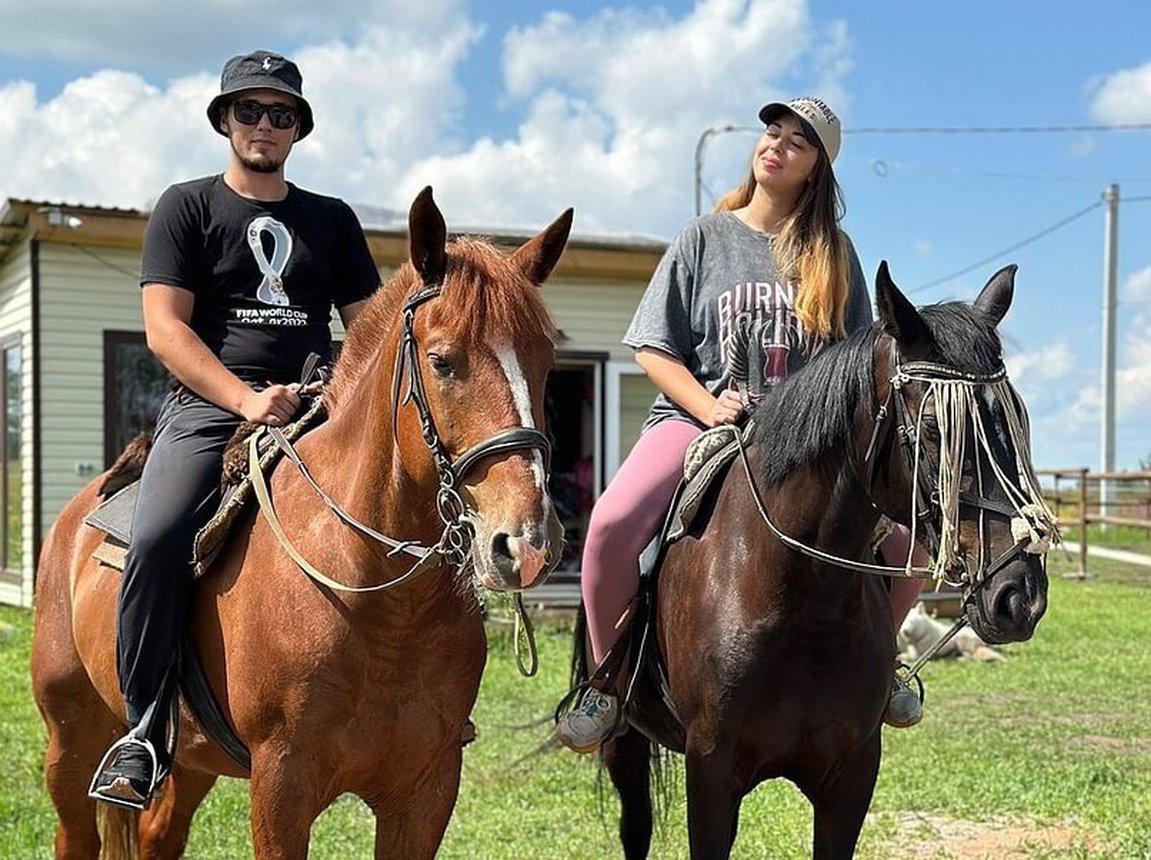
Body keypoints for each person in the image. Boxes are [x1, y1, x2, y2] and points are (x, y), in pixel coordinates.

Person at [557, 96, 927, 754]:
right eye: (771, 132)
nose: (775, 145)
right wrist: (707, 405)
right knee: (610, 526)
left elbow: (859, 362)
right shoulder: (704, 237)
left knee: (910, 544)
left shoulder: (833, 256)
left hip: (809, 447)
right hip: (700, 423)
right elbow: (652, 348)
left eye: (796, 141)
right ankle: (606, 682)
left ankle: (885, 666)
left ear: (815, 169)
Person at [89, 50, 381, 808]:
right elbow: (164, 330)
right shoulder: (186, 207)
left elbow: (368, 332)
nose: (263, 125)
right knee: (156, 537)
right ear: (225, 121)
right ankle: (144, 731)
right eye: (249, 110)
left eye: (280, 114)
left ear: (297, 130)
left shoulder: (333, 221)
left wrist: (338, 393)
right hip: (211, 407)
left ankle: (422, 704)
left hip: (318, 404)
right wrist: (246, 399)